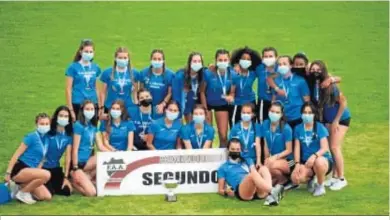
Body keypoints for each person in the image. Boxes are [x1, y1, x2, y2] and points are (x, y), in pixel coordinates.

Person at [311, 60, 351, 190]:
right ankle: (334, 177)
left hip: (340, 119)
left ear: (323, 71)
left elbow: (343, 102)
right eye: (313, 69)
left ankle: (341, 178)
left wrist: (336, 121)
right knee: (331, 147)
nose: (315, 72)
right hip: (328, 120)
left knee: (334, 147)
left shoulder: (330, 86)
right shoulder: (316, 84)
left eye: (318, 70)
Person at [217, 138, 284, 205]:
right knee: (252, 174)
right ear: (228, 150)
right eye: (233, 149)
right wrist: (226, 192)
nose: (235, 151)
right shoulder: (223, 167)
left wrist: (248, 160)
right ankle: (273, 191)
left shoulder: (245, 161)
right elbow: (220, 190)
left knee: (263, 168)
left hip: (257, 190)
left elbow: (254, 171)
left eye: (238, 149)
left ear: (241, 150)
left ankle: (271, 195)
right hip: (243, 191)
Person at [5, 113, 52, 204]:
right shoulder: (31, 137)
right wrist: (8, 173)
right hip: (21, 168)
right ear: (36, 125)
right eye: (42, 124)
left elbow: (42, 159)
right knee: (47, 174)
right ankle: (22, 193)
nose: (44, 126)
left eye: (47, 124)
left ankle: (19, 188)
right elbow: (16, 155)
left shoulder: (47, 139)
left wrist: (37, 173)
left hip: (31, 171)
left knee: (46, 196)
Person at [291, 102, 333, 196]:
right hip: (306, 162)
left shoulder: (319, 127)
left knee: (319, 162)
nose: (307, 115)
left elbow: (325, 148)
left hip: (322, 160)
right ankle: (311, 178)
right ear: (301, 114)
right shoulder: (298, 128)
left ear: (314, 114)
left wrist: (314, 156)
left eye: (310, 113)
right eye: (305, 112)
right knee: (296, 178)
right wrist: (297, 164)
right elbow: (297, 148)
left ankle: (320, 185)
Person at [200, 49, 236, 148]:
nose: (223, 62)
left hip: (222, 105)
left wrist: (231, 96)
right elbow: (202, 91)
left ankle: (222, 158)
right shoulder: (208, 73)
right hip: (208, 105)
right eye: (220, 60)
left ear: (229, 61)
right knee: (208, 136)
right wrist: (204, 108)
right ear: (216, 60)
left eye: (225, 60)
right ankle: (208, 157)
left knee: (223, 136)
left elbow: (233, 91)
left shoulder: (232, 74)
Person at [70, 100, 107, 197]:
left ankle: (88, 177)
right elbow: (74, 149)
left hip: (89, 162)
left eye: (92, 109)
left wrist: (115, 153)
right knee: (92, 193)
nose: (90, 111)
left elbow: (101, 147)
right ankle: (73, 182)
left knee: (105, 157)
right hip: (79, 163)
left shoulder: (94, 126)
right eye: (87, 109)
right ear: (82, 111)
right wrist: (75, 167)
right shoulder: (78, 125)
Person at [65, 39, 102, 122]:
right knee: (78, 130)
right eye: (86, 51)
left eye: (90, 52)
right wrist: (70, 109)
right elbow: (68, 89)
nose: (88, 54)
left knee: (92, 130)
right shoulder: (73, 67)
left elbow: (97, 88)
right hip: (78, 103)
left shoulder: (96, 67)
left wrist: (100, 106)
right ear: (81, 52)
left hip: (92, 104)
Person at [259, 102, 294, 186]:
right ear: (268, 111)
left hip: (288, 160)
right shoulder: (265, 124)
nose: (274, 114)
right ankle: (283, 180)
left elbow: (289, 150)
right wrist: (266, 159)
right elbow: (266, 144)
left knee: (271, 166)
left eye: (277, 112)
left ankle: (285, 179)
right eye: (272, 111)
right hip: (274, 159)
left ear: (281, 114)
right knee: (265, 168)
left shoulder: (286, 128)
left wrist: (275, 157)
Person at [272, 56, 310, 130]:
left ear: (291, 65)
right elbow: (274, 100)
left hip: (297, 117)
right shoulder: (276, 81)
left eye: (284, 64)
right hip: (282, 118)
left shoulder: (300, 80)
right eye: (279, 64)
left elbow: (307, 101)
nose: (282, 66)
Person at [100, 47, 139, 120]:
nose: (123, 60)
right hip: (111, 107)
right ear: (115, 58)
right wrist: (101, 107)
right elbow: (103, 92)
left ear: (128, 59)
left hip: (128, 107)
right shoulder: (107, 72)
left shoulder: (134, 73)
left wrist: (136, 105)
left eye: (125, 58)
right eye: (120, 58)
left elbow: (135, 92)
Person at [43, 106, 73, 197]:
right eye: (61, 115)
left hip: (55, 168)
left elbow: (68, 157)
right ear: (56, 117)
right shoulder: (47, 132)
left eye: (66, 116)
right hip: (43, 168)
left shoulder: (68, 135)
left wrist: (66, 177)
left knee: (67, 191)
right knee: (49, 193)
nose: (63, 118)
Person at [137, 49, 174, 119]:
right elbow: (140, 91)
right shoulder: (144, 73)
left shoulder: (170, 75)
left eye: (159, 59)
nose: (157, 61)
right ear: (151, 60)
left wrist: (163, 104)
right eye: (154, 59)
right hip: (146, 106)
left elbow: (170, 93)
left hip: (161, 107)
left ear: (163, 61)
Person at [230, 47, 261, 125]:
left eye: (248, 59)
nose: (245, 61)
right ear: (239, 59)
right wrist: (235, 65)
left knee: (251, 127)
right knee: (235, 126)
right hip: (236, 104)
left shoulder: (253, 73)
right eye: (243, 58)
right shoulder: (232, 71)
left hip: (250, 103)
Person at [172, 52, 204, 123]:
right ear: (190, 63)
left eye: (199, 61)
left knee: (192, 128)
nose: (197, 63)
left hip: (191, 105)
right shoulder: (180, 77)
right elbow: (177, 98)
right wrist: (179, 115)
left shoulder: (202, 75)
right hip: (180, 104)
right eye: (194, 61)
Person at [228, 103, 260, 167]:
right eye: (243, 112)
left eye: (248, 113)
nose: (245, 114)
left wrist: (258, 161)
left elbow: (258, 145)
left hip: (252, 160)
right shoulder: (235, 127)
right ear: (240, 113)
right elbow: (230, 145)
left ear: (253, 114)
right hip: (239, 159)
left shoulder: (256, 127)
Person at [255, 47, 278, 124]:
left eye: (271, 56)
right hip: (263, 102)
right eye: (266, 56)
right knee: (262, 124)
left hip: (277, 102)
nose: (268, 58)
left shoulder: (280, 68)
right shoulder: (259, 68)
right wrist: (236, 65)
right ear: (262, 58)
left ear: (276, 57)